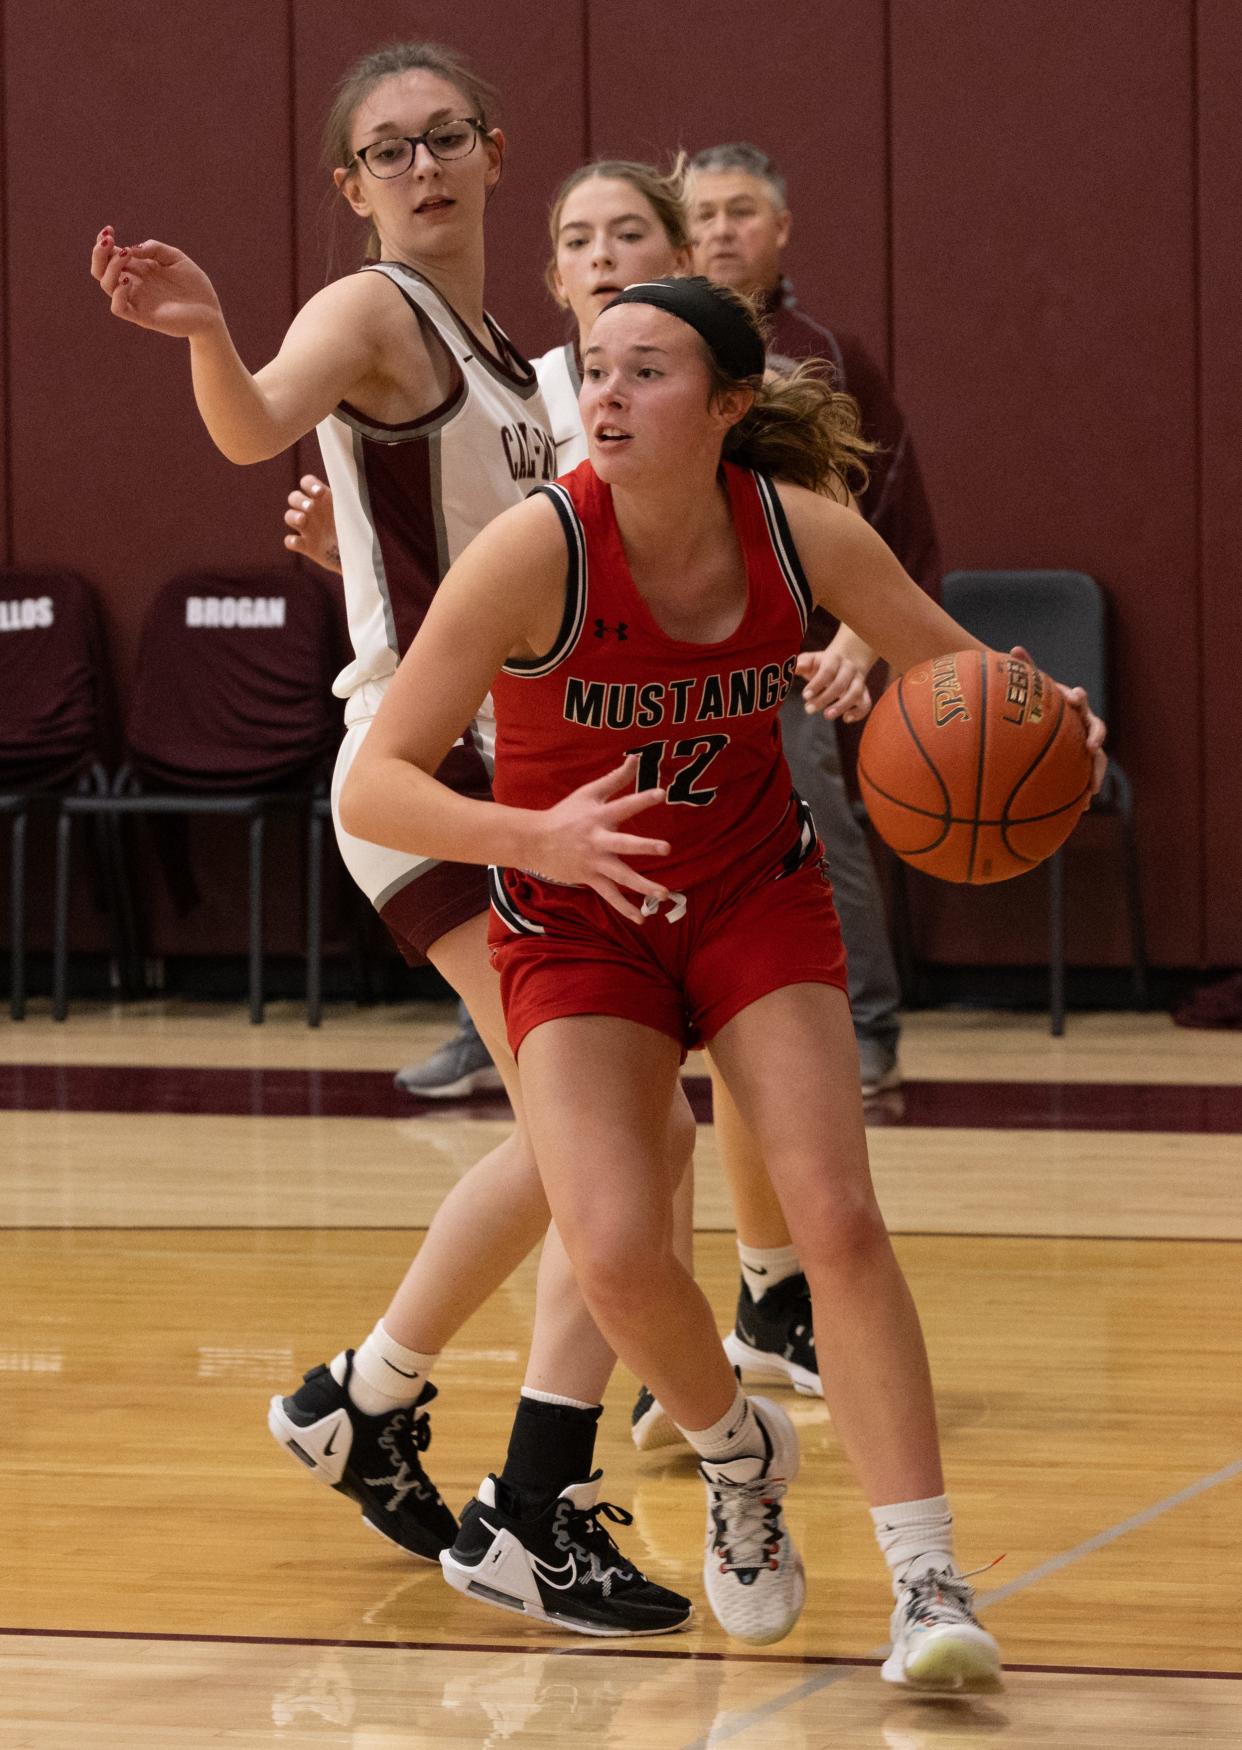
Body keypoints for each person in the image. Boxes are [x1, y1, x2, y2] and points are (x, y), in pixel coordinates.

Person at [336, 272, 1107, 1670]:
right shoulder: (533, 551)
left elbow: (962, 682)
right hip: (578, 916)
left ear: (729, 403)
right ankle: (737, 1457)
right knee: (620, 1252)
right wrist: (533, 833)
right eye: (596, 370)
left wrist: (1053, 726)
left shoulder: (800, 531)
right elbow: (374, 786)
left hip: (752, 895)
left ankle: (929, 1580)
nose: (609, 396)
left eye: (647, 373)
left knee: (836, 1215)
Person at [91, 41, 694, 1636]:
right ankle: (530, 1499)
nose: (421, 165)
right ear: (350, 187)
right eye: (387, 149)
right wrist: (213, 332)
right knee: (616, 1149)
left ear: (496, 155)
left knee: (618, 1141)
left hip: (515, 777)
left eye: (445, 137)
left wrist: (350, 523)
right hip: (435, 779)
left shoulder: (509, 359)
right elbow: (256, 423)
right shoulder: (373, 308)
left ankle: (370, 1396)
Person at [284, 160, 876, 1447]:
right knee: (622, 1131)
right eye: (578, 240)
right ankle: (456, 1429)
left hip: (615, 786)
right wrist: (366, 554)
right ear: (552, 279)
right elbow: (467, 565)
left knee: (698, 1094)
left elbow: (839, 554)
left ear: (681, 259)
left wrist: (872, 644)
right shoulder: (556, 398)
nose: (604, 257)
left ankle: (719, 1331)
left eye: (630, 235)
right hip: (466, 775)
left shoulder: (663, 402)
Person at [689, 140, 942, 1100]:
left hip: (798, 656)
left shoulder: (826, 356)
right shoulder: (653, 345)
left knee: (817, 826)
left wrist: (856, 644)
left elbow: (888, 526)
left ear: (781, 227)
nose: (720, 228)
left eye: (741, 210)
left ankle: (870, 1028)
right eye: (703, 212)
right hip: (671, 651)